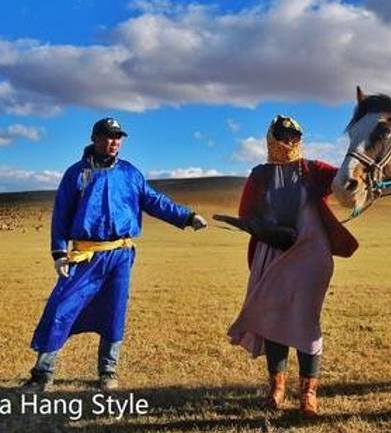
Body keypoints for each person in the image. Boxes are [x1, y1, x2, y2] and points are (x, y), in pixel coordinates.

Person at [22, 117, 207, 392]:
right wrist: (59, 252)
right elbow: (61, 213)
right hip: (86, 254)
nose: (115, 142)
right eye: (109, 136)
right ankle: (42, 374)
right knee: (61, 307)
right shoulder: (76, 173)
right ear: (95, 139)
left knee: (114, 311)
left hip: (120, 254)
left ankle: (108, 370)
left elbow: (154, 201)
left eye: (118, 137)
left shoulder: (130, 173)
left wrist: (187, 217)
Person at [227, 115, 358, 417]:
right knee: (273, 319)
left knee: (306, 319)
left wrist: (366, 174)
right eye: (282, 135)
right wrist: (270, 229)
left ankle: (308, 393)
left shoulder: (313, 170)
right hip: (272, 253)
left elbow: (345, 182)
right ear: (271, 138)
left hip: (311, 257)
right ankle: (277, 388)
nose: (288, 141)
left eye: (294, 136)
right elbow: (247, 214)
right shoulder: (260, 175)